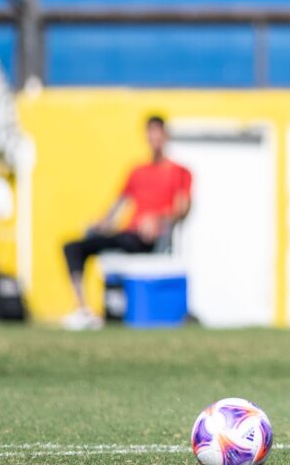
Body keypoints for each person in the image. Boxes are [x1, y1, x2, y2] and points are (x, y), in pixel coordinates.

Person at [61, 115, 192, 330]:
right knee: (73, 247)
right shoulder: (137, 171)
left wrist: (157, 220)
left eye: (158, 133)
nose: (154, 139)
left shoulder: (179, 172)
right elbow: (117, 206)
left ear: (165, 136)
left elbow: (183, 209)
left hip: (149, 238)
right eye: (150, 133)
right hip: (127, 234)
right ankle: (82, 309)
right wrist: (100, 224)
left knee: (127, 238)